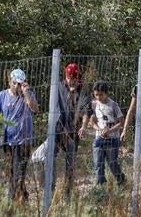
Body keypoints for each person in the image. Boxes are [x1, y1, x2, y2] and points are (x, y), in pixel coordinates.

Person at [0, 69, 39, 202]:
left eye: (20, 83)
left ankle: (13, 200)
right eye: (15, 83)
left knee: (19, 173)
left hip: (24, 141)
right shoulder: (2, 95)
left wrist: (26, 92)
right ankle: (21, 198)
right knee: (10, 172)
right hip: (7, 141)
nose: (17, 86)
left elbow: (34, 109)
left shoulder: (28, 94)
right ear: (10, 82)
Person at [52, 63, 92, 193]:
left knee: (70, 163)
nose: (72, 82)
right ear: (66, 76)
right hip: (58, 129)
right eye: (70, 79)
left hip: (73, 132)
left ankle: (67, 192)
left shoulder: (83, 90)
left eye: (74, 79)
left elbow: (86, 111)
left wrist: (84, 127)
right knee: (50, 157)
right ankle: (50, 188)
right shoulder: (58, 87)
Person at [89, 81, 125, 186]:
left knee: (112, 163)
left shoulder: (113, 105)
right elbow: (92, 121)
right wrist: (99, 129)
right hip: (99, 138)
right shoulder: (94, 104)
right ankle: (101, 186)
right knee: (98, 163)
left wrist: (110, 130)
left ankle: (121, 180)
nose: (99, 97)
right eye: (96, 95)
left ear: (106, 93)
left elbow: (121, 122)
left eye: (101, 94)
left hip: (112, 138)